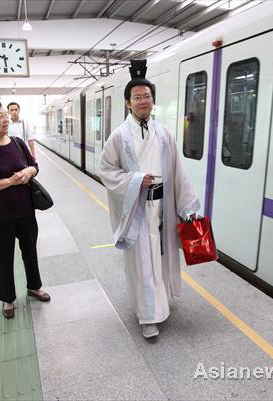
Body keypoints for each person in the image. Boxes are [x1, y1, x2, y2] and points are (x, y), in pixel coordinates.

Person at [99, 60, 200, 339]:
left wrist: (187, 206)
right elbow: (106, 169)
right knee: (143, 260)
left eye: (147, 96)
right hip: (136, 208)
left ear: (153, 101)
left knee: (159, 257)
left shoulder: (163, 133)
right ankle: (148, 316)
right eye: (138, 97)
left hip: (162, 207)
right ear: (127, 103)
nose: (144, 101)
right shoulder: (119, 136)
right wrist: (134, 181)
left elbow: (178, 170)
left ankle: (158, 303)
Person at [0, 97, 50, 319]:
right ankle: (7, 298)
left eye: (5, 115)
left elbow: (34, 165)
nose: (6, 119)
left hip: (26, 210)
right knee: (2, 257)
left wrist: (28, 172)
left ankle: (34, 287)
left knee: (30, 251)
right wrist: (10, 181)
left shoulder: (17, 142)